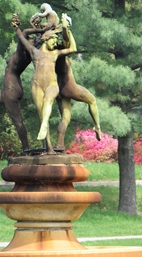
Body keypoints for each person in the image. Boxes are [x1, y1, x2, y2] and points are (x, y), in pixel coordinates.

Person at [12, 13, 77, 154]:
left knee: (49, 100)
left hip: (52, 84)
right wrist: (17, 27)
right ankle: (49, 147)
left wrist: (67, 29)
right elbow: (22, 37)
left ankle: (44, 124)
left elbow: (73, 49)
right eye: (53, 39)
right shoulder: (34, 52)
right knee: (42, 114)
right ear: (45, 39)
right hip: (37, 85)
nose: (55, 43)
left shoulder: (55, 54)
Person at [0, 25, 43, 153]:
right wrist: (39, 30)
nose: (27, 40)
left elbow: (24, 33)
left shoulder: (22, 53)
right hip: (10, 88)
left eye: (29, 41)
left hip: (11, 89)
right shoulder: (25, 55)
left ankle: (26, 148)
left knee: (17, 121)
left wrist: (39, 30)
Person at [55, 19, 101, 149]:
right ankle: (97, 126)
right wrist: (66, 30)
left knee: (65, 119)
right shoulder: (61, 53)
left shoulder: (52, 54)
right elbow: (72, 47)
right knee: (92, 100)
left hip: (60, 88)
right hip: (70, 86)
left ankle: (59, 144)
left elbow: (63, 41)